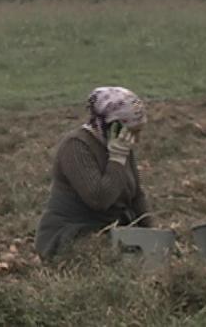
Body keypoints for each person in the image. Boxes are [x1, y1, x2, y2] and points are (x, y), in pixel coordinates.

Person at [35, 87, 152, 261]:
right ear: (112, 127)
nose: (136, 139)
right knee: (112, 259)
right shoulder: (76, 146)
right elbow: (99, 199)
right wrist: (117, 159)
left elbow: (136, 196)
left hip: (111, 231)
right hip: (73, 233)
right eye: (132, 132)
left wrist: (152, 238)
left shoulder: (121, 145)